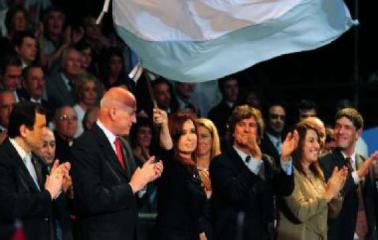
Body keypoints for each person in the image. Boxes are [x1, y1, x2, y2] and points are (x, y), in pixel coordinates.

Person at [70, 87, 163, 240]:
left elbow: (130, 198)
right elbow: (90, 200)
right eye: (131, 113)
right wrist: (133, 186)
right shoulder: (85, 146)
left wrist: (143, 184)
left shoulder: (123, 145)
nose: (134, 120)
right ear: (113, 112)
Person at [210, 105, 297, 240]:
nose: (246, 129)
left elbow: (284, 190)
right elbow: (234, 193)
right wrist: (255, 161)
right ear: (233, 130)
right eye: (241, 124)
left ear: (258, 132)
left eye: (252, 125)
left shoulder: (267, 161)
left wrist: (285, 159)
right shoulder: (220, 162)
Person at [0, 101, 70, 240]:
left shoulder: (37, 160)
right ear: (24, 130)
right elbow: (9, 207)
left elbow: (48, 208)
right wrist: (48, 193)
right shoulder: (3, 159)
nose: (45, 133)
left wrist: (58, 189)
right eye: (41, 127)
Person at [276, 122, 347, 240]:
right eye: (311, 141)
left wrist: (335, 192)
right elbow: (300, 212)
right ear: (297, 144)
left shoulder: (317, 174)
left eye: (317, 141)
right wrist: (328, 194)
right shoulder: (288, 174)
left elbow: (332, 213)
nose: (317, 146)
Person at [319, 108, 378, 240]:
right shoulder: (323, 162)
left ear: (358, 133)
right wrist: (357, 175)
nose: (340, 131)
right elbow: (329, 201)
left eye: (347, 127)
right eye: (338, 126)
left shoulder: (364, 161)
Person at [152, 109, 208, 240]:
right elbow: (167, 149)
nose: (190, 138)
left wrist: (200, 232)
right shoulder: (171, 165)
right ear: (174, 136)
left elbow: (192, 212)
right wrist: (164, 125)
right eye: (183, 133)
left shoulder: (192, 169)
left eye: (193, 132)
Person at [196, 118, 222, 240]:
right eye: (197, 135)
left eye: (204, 136)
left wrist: (212, 190)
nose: (200, 140)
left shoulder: (223, 168)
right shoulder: (185, 169)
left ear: (213, 139)